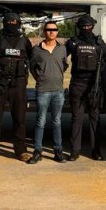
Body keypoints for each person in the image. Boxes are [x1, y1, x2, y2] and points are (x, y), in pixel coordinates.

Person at [0, 11, 32, 163]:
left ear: (18, 24)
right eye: (9, 22)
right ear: (4, 23)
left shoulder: (25, 41)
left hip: (18, 84)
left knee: (19, 119)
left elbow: (30, 58)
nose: (11, 24)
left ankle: (21, 151)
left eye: (14, 22)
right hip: (0, 83)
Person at [66, 14, 106, 161]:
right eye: (83, 26)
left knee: (95, 119)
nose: (86, 28)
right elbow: (60, 57)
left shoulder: (99, 42)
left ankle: (95, 150)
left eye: (88, 26)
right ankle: (75, 151)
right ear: (79, 27)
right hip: (78, 84)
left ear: (92, 26)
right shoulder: (72, 42)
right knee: (77, 119)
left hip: (95, 86)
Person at [27, 21, 68, 164]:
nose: (52, 32)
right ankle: (37, 151)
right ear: (44, 31)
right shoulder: (36, 49)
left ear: (57, 32)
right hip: (43, 90)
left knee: (57, 121)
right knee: (40, 121)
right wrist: (40, 78)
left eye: (54, 29)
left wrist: (56, 75)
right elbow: (31, 67)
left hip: (58, 91)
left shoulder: (62, 49)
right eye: (49, 29)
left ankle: (58, 151)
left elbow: (64, 65)